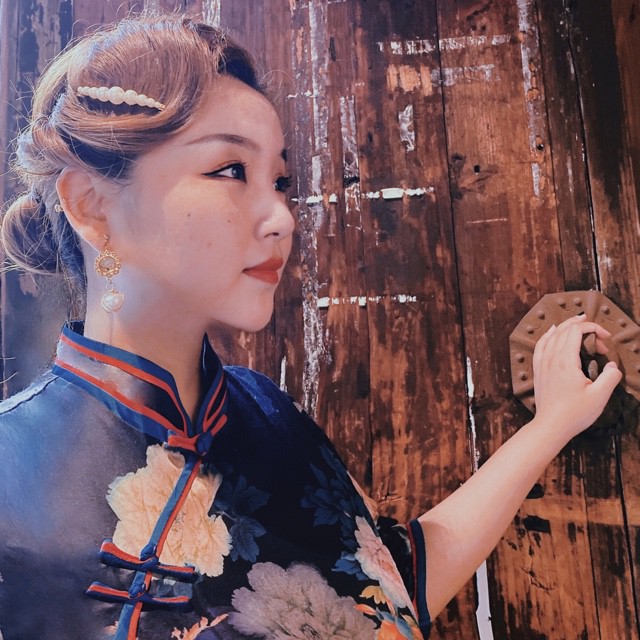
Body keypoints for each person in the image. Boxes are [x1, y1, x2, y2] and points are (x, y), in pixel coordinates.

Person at [0, 13, 621, 640]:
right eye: (230, 170)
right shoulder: (10, 465)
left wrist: (551, 425)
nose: (281, 217)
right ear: (92, 205)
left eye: (280, 181)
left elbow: (388, 590)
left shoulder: (267, 414)